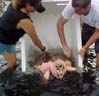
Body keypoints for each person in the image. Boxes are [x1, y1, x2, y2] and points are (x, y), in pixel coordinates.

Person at [0, 0, 46, 84]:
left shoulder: (15, 4)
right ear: (27, 5)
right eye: (35, 7)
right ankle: (4, 82)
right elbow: (36, 40)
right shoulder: (24, 21)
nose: (35, 10)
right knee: (12, 63)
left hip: (5, 33)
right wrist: (44, 50)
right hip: (3, 42)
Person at [57, 0, 99, 71]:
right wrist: (64, 46)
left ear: (88, 6)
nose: (75, 12)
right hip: (88, 23)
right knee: (83, 45)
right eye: (74, 10)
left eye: (78, 10)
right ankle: (85, 61)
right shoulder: (72, 6)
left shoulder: (97, 11)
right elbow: (60, 23)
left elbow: (97, 33)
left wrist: (85, 47)